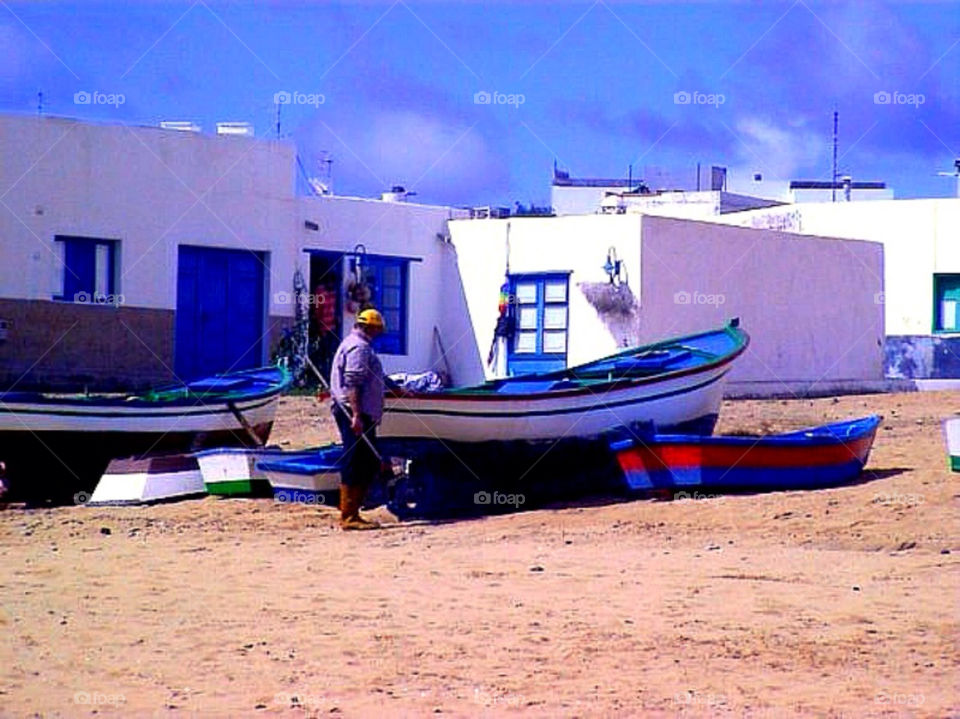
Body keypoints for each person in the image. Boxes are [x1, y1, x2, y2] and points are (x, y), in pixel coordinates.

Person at [330, 308, 387, 530]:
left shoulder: (352, 343)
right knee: (357, 460)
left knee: (366, 460)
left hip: (358, 412)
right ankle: (349, 515)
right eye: (377, 329)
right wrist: (356, 415)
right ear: (370, 327)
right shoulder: (359, 348)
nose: (379, 333)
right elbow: (353, 382)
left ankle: (352, 510)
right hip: (355, 413)